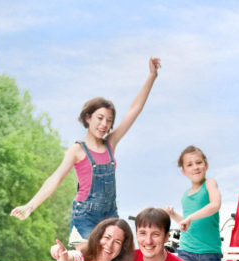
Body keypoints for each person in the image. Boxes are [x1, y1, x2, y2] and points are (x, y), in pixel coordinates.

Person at [10, 58, 161, 243]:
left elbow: (134, 110)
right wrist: (29, 207)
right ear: (88, 118)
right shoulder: (77, 150)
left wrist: (152, 76)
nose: (104, 124)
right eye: (100, 118)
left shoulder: (110, 144)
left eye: (109, 120)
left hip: (110, 215)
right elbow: (54, 179)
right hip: (85, 217)